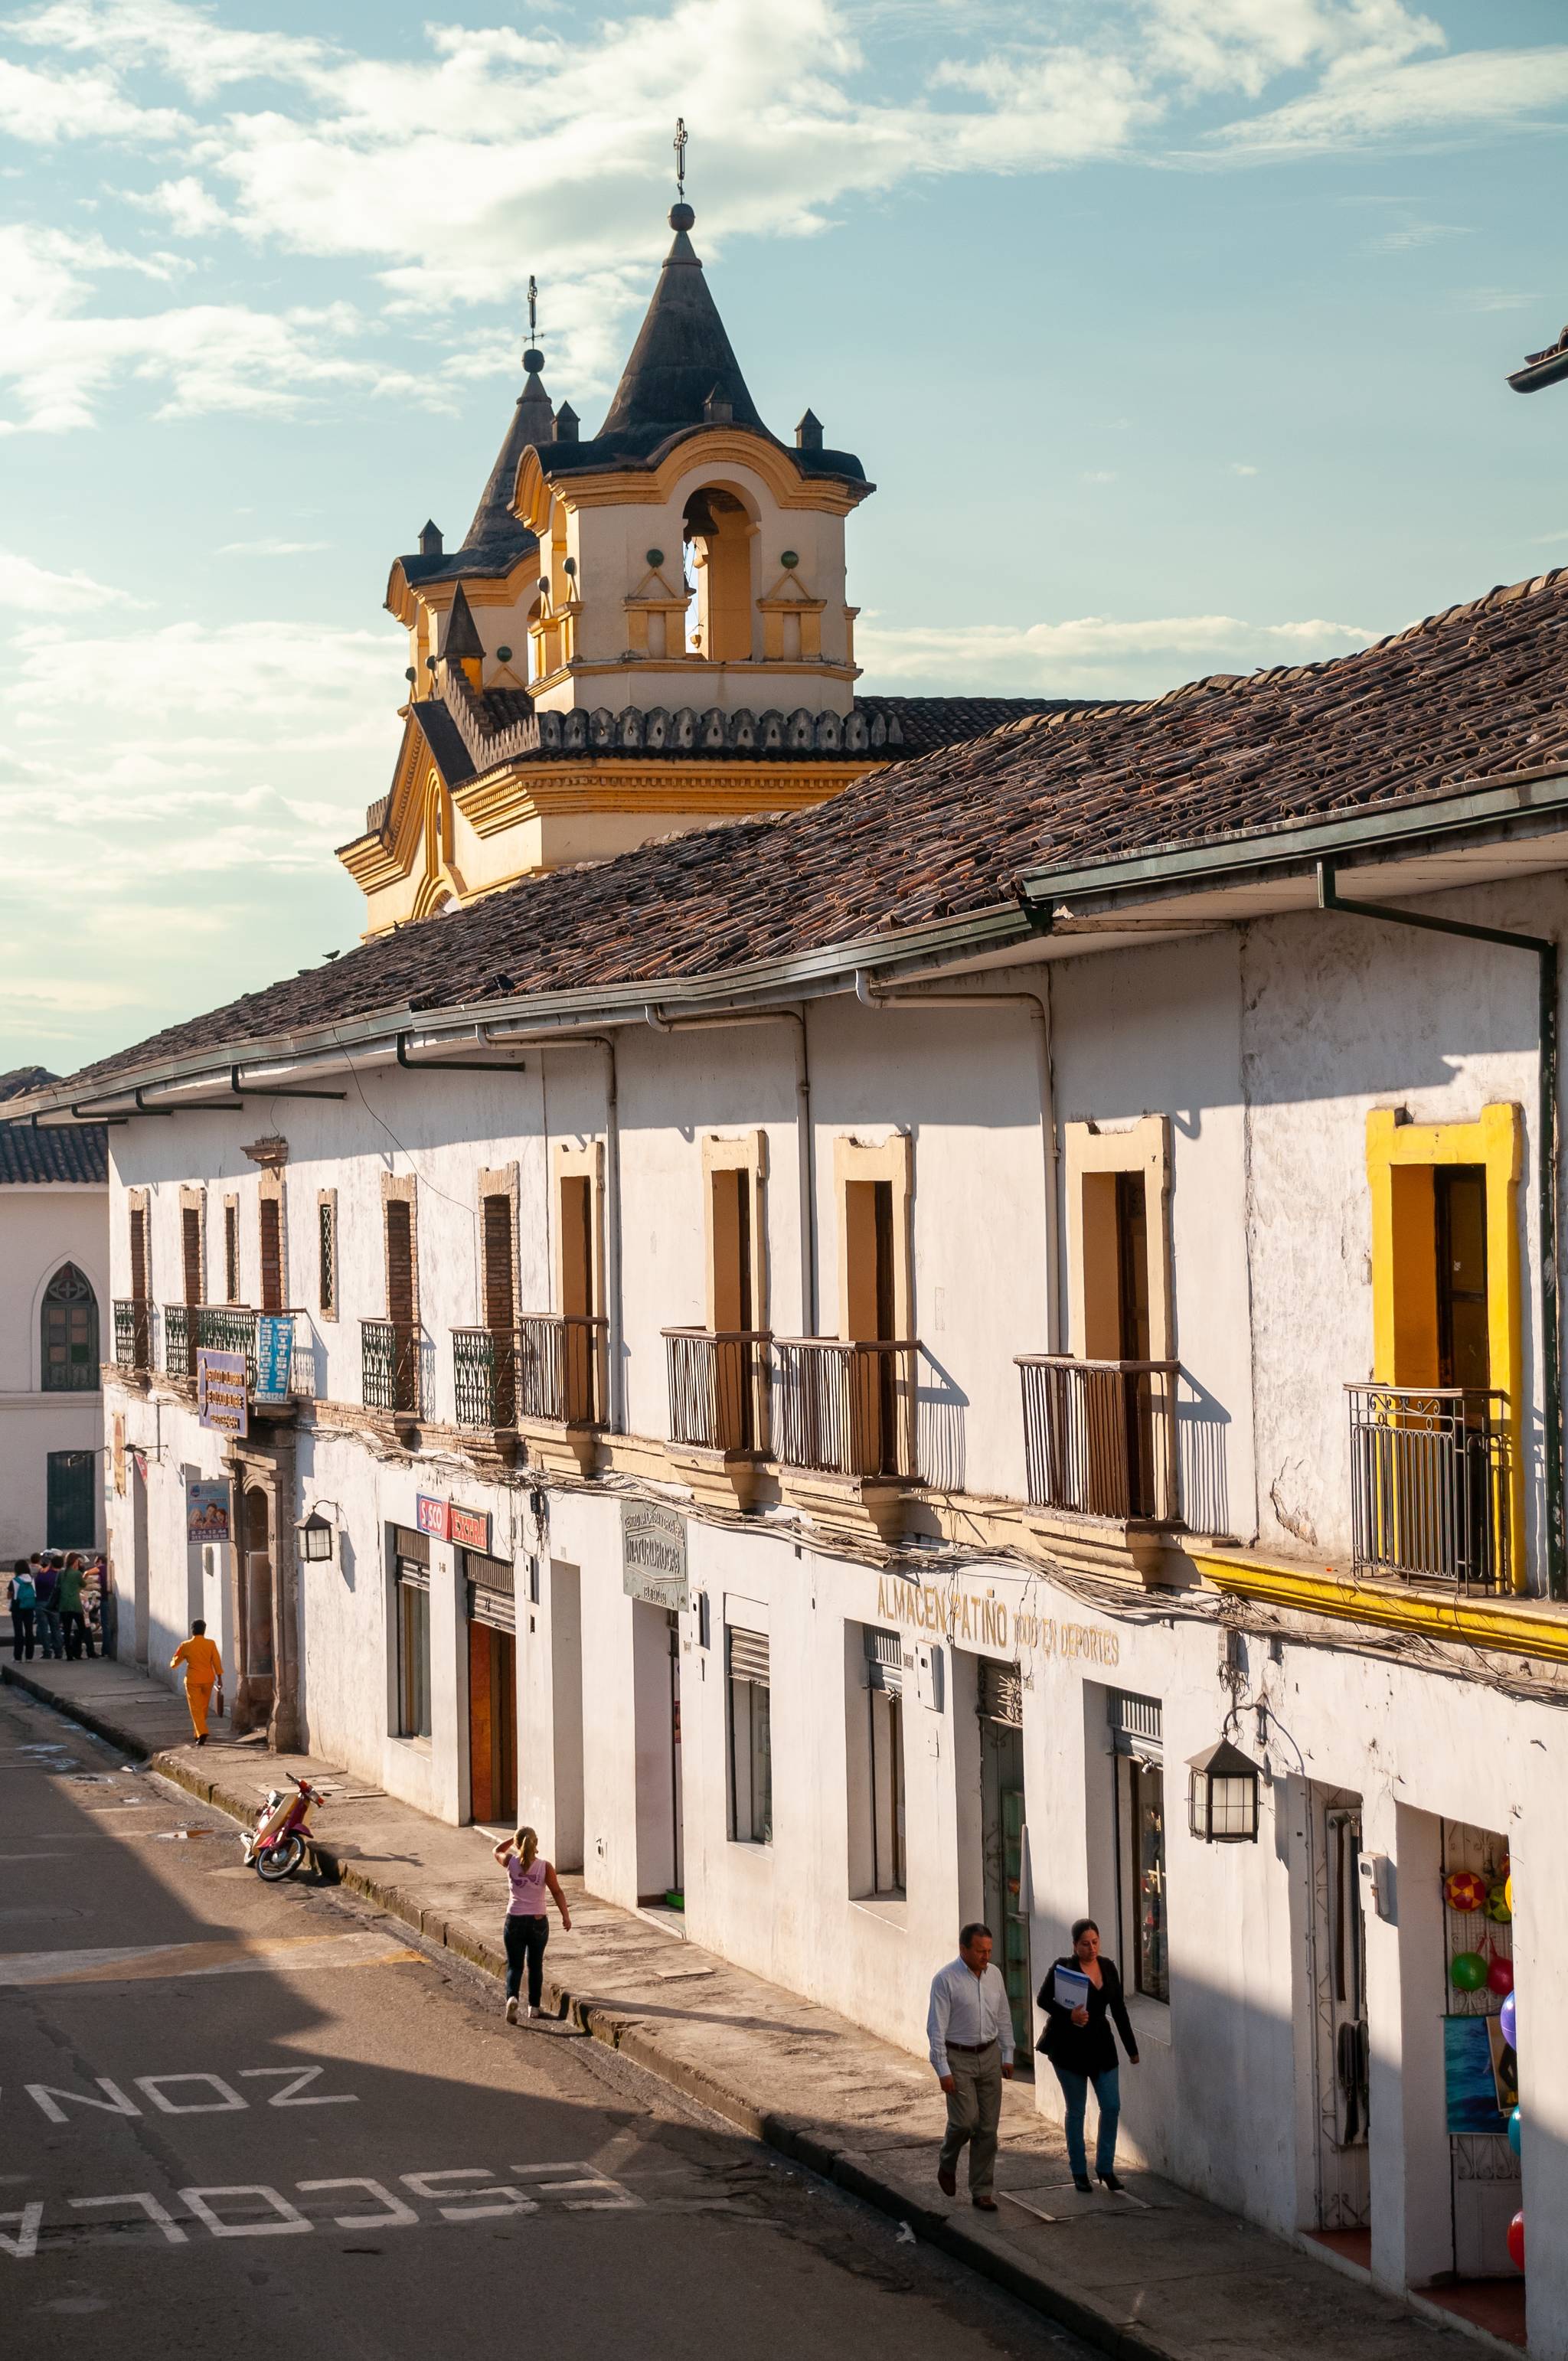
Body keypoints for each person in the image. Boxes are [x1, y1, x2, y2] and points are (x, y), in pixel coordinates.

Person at [1037, 1917, 1140, 2193]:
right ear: (1075, 1945)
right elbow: (1043, 1999)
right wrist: (1068, 2014)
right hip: (1068, 2047)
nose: (1091, 1948)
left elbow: (1119, 2009)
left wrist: (1131, 2049)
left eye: (1095, 1942)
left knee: (1111, 2106)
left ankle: (1105, 2167)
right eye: (1085, 1944)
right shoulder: (1063, 1967)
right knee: (1077, 2110)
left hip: (1100, 2045)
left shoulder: (1107, 1968)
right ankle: (1079, 2171)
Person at [926, 1922, 1015, 2211]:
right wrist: (942, 2069)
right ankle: (947, 2160)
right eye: (980, 1951)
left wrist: (1008, 2053)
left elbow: (1003, 2014)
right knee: (964, 2121)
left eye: (989, 1951)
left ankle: (982, 2190)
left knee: (988, 2128)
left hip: (989, 2055)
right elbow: (936, 2027)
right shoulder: (945, 1980)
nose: (985, 1957)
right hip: (958, 2057)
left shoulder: (995, 1976)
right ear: (963, 1949)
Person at [492, 1825, 570, 2023]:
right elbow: (557, 1892)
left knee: (515, 1966)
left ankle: (512, 1998)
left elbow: (497, 1850)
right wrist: (565, 1916)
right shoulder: (545, 1867)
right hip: (538, 1922)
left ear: (518, 1844)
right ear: (536, 1843)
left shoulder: (510, 1862)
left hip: (515, 1920)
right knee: (535, 1966)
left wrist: (513, 1839)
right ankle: (534, 2008)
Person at [170, 1619, 223, 1745]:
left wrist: (173, 1661)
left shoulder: (185, 1645)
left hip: (193, 1680)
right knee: (203, 1708)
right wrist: (220, 1678)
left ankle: (202, 1732)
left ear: (192, 1630)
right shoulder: (210, 1644)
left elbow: (175, 1663)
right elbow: (216, 1661)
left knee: (196, 1708)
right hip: (208, 1679)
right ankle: (198, 1733)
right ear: (204, 1630)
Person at [58, 1555, 94, 1661]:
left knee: (67, 1630)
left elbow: (58, 1586)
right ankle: (75, 1648)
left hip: (64, 1604)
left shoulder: (61, 1573)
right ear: (75, 1563)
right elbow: (83, 1584)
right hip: (75, 1604)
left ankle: (69, 1654)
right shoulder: (77, 1574)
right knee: (82, 1628)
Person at [32, 1554, 62, 1661]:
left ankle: (47, 1652)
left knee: (43, 1629)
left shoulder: (42, 1574)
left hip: (41, 1603)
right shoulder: (60, 1576)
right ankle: (59, 1652)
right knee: (56, 1628)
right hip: (54, 1605)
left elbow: (35, 1586)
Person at [8, 1560, 36, 1661]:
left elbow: (9, 1596)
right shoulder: (32, 1579)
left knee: (18, 1632)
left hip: (17, 1608)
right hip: (30, 1607)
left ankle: (18, 1657)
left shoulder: (15, 1581)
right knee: (29, 1632)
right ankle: (29, 1657)